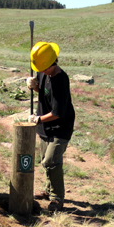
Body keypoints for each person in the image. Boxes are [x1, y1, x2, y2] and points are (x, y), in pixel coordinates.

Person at [26, 42, 75, 211]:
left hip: (61, 126)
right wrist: (34, 86)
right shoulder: (42, 70)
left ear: (54, 62)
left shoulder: (61, 81)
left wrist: (38, 119)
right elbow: (44, 92)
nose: (42, 72)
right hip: (45, 126)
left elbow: (57, 112)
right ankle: (48, 190)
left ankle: (57, 198)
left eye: (45, 69)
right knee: (45, 161)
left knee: (51, 160)